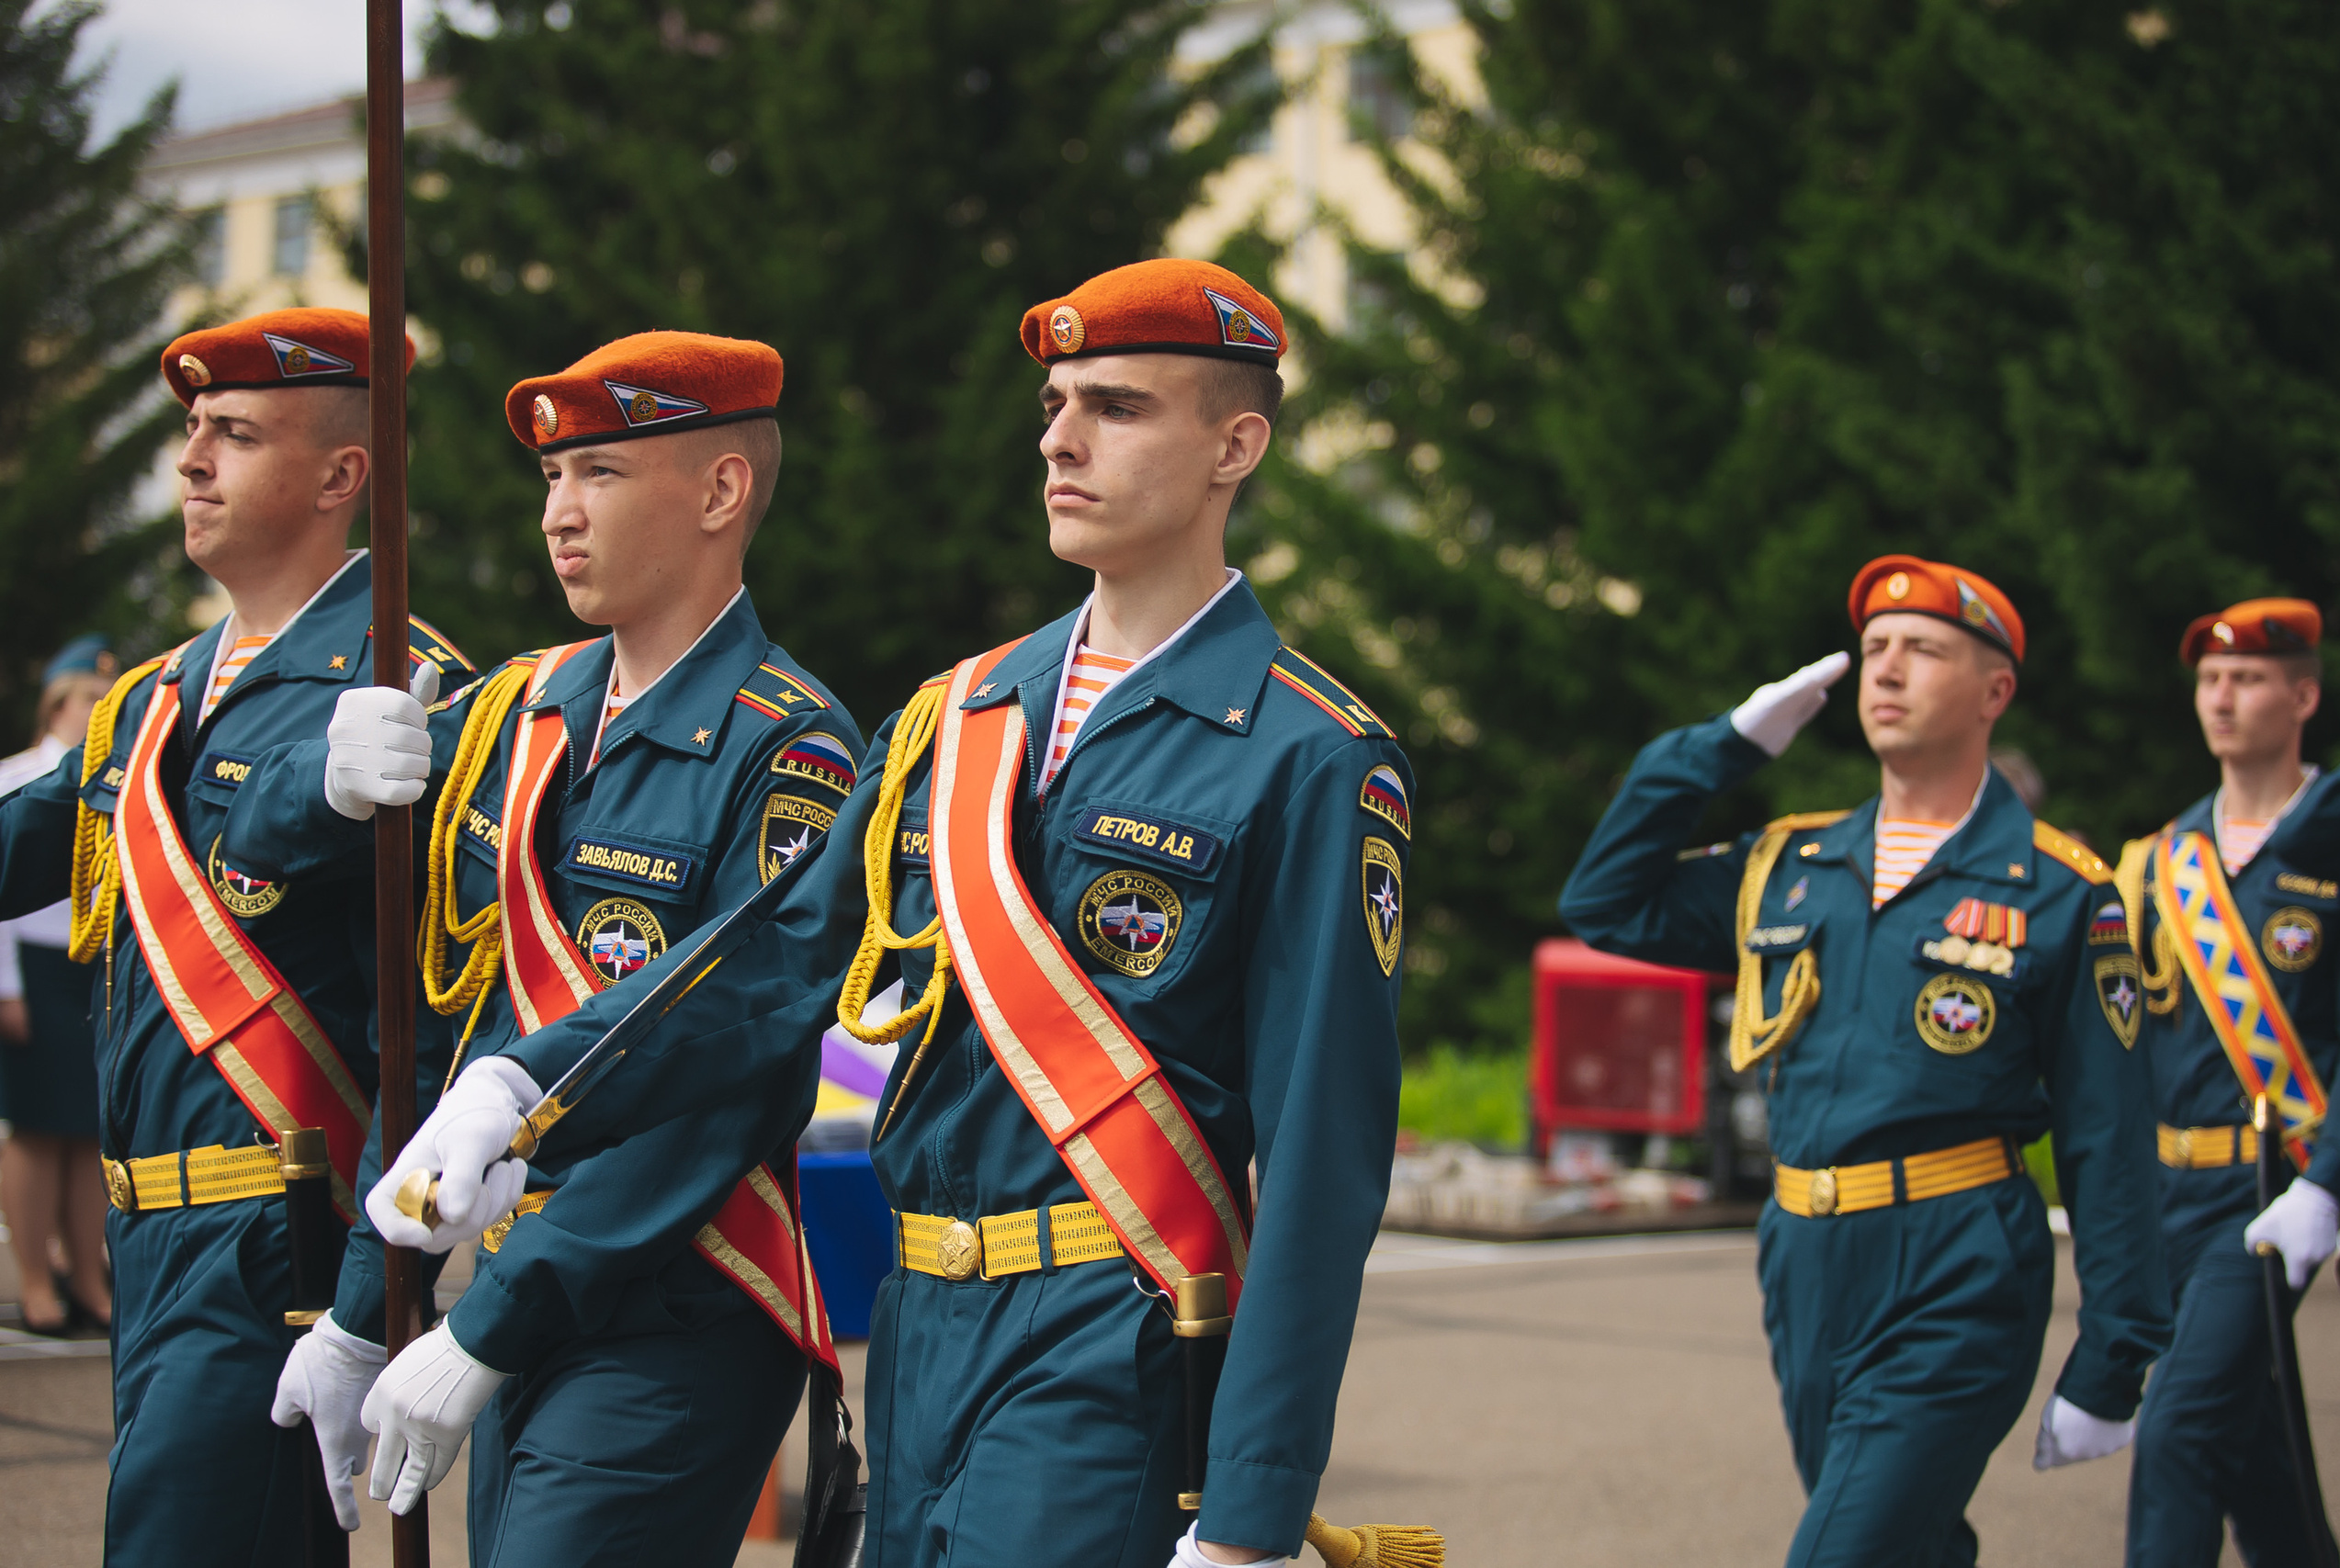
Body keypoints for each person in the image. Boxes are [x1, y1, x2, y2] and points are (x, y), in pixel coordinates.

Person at [370, 260, 1428, 1568]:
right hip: (919, 1322)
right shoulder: (957, 714)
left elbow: (1325, 1162)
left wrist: (1255, 1513)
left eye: (1116, 405)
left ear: (1236, 443)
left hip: (1115, 1331)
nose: (1060, 435)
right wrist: (522, 1085)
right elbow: (771, 956)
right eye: (1052, 402)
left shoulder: (1312, 753)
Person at [230, 331, 862, 1563]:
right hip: (520, 1292)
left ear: (722, 492)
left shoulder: (793, 750)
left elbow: (728, 1079)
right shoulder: (519, 709)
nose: (560, 514)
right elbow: (436, 1017)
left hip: (680, 1301)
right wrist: (323, 782)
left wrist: (484, 1325)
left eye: (601, 475)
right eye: (552, 481)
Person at [1559, 555, 2170, 1568]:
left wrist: (2116, 1350)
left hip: (1957, 1260)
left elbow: (2107, 1135)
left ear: (1994, 692)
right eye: (1875, 649)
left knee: (1842, 1552)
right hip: (1804, 1255)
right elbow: (1604, 903)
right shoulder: (1790, 866)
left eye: (1922, 651)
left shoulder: (2061, 892)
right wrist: (1721, 747)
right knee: (1908, 1546)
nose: (1885, 670)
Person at [0, 309, 472, 1565]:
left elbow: (422, 1037)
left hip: (273, 1246)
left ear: (340, 475)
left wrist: (374, 1304)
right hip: (142, 1240)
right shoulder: (147, 703)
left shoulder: (409, 692)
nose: (192, 459)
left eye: (236, 432)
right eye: (194, 430)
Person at [2120, 597, 2340, 1567]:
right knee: (2256, 1447)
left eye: (2247, 678)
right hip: (2166, 1196)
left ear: (2302, 694)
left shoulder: (2336, 843)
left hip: (2270, 1191)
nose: (2221, 697)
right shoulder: (2157, 861)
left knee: (2176, 1432)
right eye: (2209, 680)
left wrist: (2328, 1183)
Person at [0, 637, 119, 1336]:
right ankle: (38, 1282)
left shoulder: (112, 774)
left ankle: (86, 1272)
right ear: (57, 703)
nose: (98, 712)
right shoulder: (17, 773)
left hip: (92, 965)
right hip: (36, 969)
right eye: (89, 700)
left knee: (87, 1132)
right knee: (39, 1131)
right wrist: (6, 988)